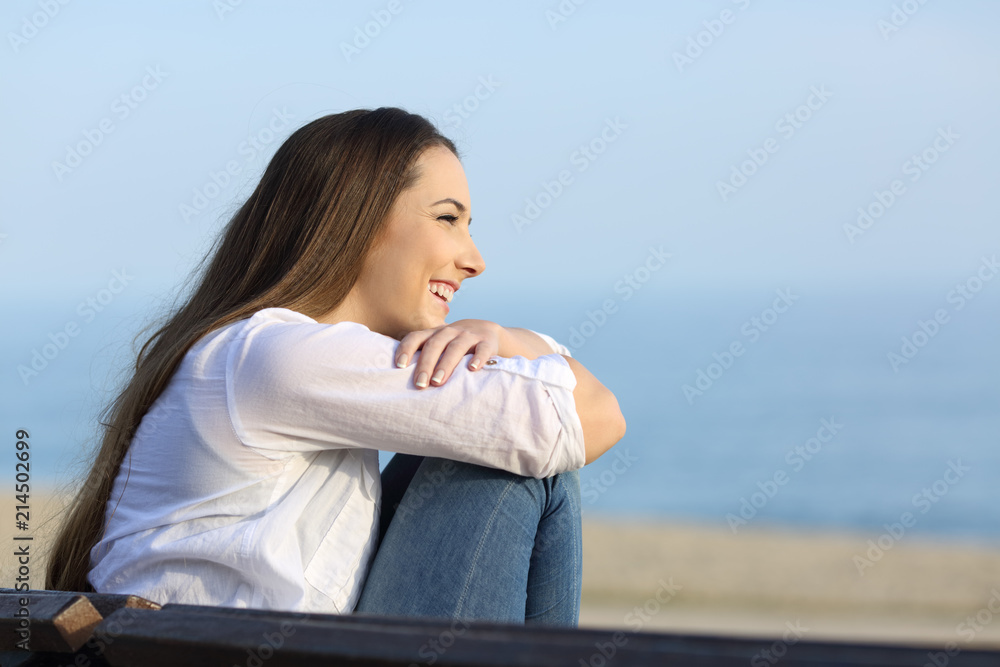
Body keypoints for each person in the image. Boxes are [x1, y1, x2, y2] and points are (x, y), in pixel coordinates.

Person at [46, 107, 626, 626]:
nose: (474, 259)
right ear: (358, 218)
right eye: (448, 218)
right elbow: (591, 418)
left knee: (487, 442)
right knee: (526, 462)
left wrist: (502, 338)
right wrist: (517, 343)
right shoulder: (280, 356)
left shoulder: (243, 353)